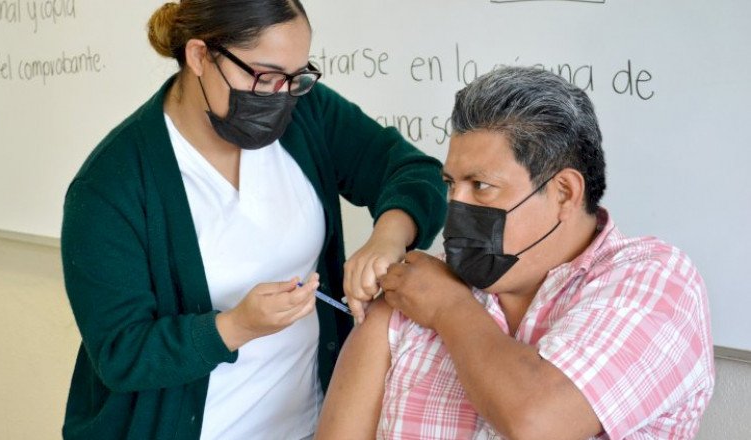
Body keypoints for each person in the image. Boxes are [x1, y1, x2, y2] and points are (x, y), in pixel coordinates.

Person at [60, 1, 446, 439]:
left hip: (306, 426)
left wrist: (389, 237)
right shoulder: (111, 186)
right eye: (263, 76)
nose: (280, 96)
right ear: (200, 56)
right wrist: (236, 325)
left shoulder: (307, 113)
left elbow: (413, 171)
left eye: (295, 78)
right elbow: (122, 353)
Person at [316, 66, 714, 440]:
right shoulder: (413, 291)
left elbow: (538, 419)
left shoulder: (656, 282)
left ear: (564, 193)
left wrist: (449, 308)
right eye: (451, 184)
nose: (455, 205)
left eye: (481, 186)